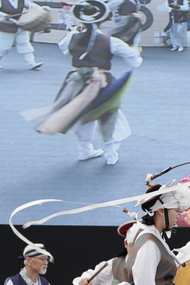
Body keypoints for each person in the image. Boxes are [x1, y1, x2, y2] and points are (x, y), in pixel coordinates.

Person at [62, 1, 143, 164]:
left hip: (77, 80)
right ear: (103, 19)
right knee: (110, 115)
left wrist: (76, 32)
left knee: (83, 114)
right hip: (102, 82)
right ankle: (111, 154)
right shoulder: (110, 41)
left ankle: (84, 151)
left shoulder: (72, 36)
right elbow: (135, 62)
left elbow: (63, 48)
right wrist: (136, 51)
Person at [0, 0, 46, 70]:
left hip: (19, 26)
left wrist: (41, 9)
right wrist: (3, 15)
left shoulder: (22, 0)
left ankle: (32, 63)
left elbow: (32, 6)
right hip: (6, 26)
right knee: (3, 47)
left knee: (24, 43)